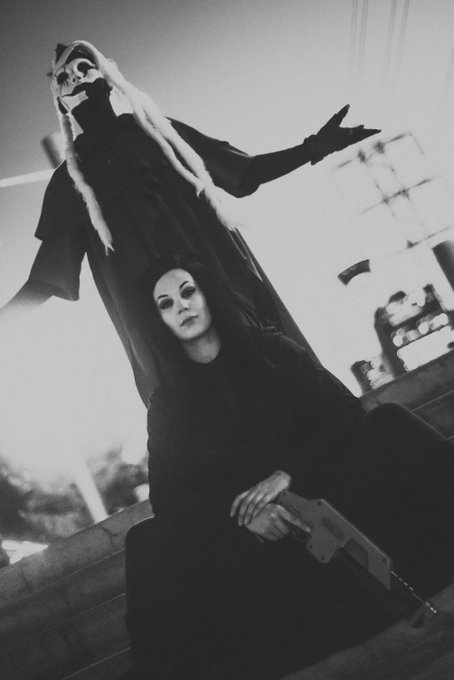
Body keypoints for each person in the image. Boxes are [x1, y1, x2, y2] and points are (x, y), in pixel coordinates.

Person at [124, 254, 454, 679]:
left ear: (207, 295)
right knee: (145, 541)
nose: (182, 306)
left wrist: (286, 475)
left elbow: (345, 411)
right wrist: (243, 515)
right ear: (158, 321)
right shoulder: (167, 405)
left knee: (390, 423)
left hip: (328, 494)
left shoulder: (272, 349)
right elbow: (168, 498)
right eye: (166, 303)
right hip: (252, 540)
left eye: (188, 291)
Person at [0, 40, 379, 404]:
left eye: (83, 67)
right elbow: (47, 276)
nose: (75, 78)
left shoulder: (158, 132)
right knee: (212, 421)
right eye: (63, 78)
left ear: (105, 76)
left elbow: (243, 174)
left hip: (232, 303)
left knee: (290, 392)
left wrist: (311, 148)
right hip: (164, 342)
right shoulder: (70, 182)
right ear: (60, 100)